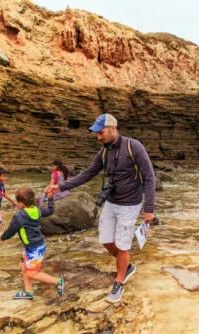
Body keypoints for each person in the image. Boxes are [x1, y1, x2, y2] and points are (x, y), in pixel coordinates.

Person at [46, 113, 155, 303]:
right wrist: (61, 186)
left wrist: (149, 207)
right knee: (105, 239)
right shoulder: (105, 151)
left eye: (101, 132)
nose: (98, 137)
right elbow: (88, 173)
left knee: (122, 244)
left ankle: (119, 281)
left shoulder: (133, 146)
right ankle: (126, 265)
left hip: (130, 204)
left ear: (113, 128)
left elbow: (149, 177)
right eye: (97, 133)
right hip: (111, 202)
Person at [0, 187, 64, 300]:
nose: (16, 203)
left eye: (17, 201)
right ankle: (28, 292)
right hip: (34, 247)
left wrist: (1, 238)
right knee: (23, 266)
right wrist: (50, 198)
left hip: (34, 249)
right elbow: (50, 210)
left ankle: (58, 282)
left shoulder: (19, 216)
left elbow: (10, 231)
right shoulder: (38, 209)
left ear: (21, 203)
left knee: (32, 273)